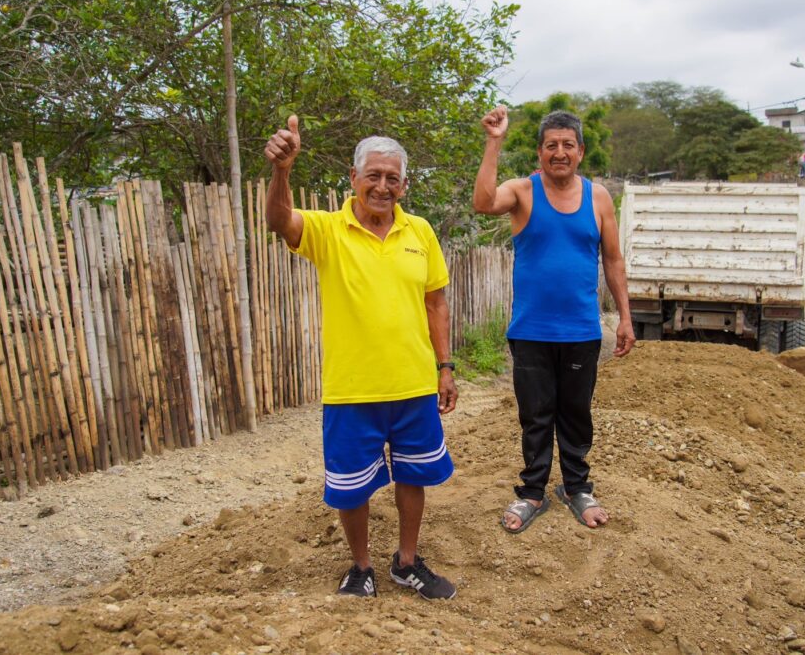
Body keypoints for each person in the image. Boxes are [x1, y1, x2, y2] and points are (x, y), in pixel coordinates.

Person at [264, 115, 458, 599]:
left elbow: (435, 302)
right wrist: (282, 171)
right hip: (351, 390)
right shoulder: (328, 230)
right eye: (373, 175)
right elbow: (279, 222)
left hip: (414, 385)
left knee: (414, 476)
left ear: (404, 185)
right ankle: (361, 566)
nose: (382, 186)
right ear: (353, 178)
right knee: (351, 487)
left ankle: (407, 562)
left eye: (393, 178)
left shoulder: (420, 232)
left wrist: (445, 367)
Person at [472, 106, 635, 534]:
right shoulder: (523, 192)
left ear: (580, 151)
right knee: (536, 416)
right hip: (531, 331)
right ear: (540, 152)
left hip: (581, 330)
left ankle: (577, 488)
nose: (559, 152)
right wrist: (494, 142)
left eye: (567, 145)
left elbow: (613, 260)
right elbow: (483, 202)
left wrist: (625, 317)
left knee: (576, 414)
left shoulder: (599, 198)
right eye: (551, 145)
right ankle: (532, 492)